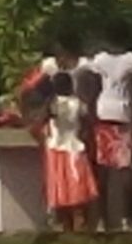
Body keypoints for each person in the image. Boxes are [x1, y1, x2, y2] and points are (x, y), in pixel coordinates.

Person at [83, 24, 132, 232]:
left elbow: (93, 90)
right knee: (124, 168)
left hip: (103, 114)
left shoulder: (99, 60)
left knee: (102, 169)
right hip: (123, 115)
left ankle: (101, 219)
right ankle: (125, 218)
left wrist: (91, 118)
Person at [35, 47, 96, 232]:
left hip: (56, 148)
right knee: (77, 189)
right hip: (76, 147)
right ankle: (80, 223)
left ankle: (63, 224)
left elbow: (42, 118)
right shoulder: (78, 104)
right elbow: (87, 121)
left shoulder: (53, 104)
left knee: (60, 189)